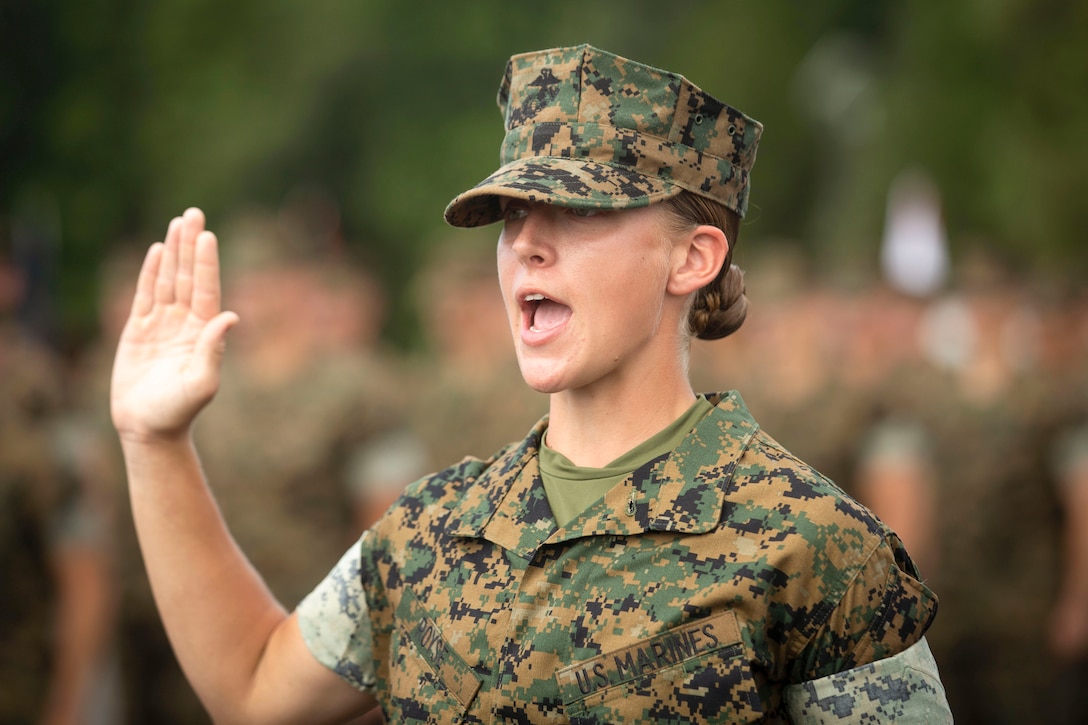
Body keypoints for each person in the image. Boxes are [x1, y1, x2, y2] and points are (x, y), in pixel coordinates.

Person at [109, 45, 951, 723]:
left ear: (693, 257)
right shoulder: (433, 528)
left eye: (579, 212)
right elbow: (254, 690)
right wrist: (155, 442)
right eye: (513, 216)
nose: (527, 247)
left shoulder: (812, 544)